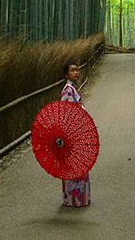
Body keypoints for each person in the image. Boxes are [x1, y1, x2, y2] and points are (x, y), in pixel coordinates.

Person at [59, 63, 90, 207]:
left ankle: (77, 199)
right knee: (75, 165)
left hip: (77, 131)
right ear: (66, 75)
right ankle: (75, 200)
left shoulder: (72, 88)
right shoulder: (68, 90)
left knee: (77, 165)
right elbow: (67, 112)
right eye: (72, 71)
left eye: (77, 70)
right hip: (72, 133)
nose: (76, 72)